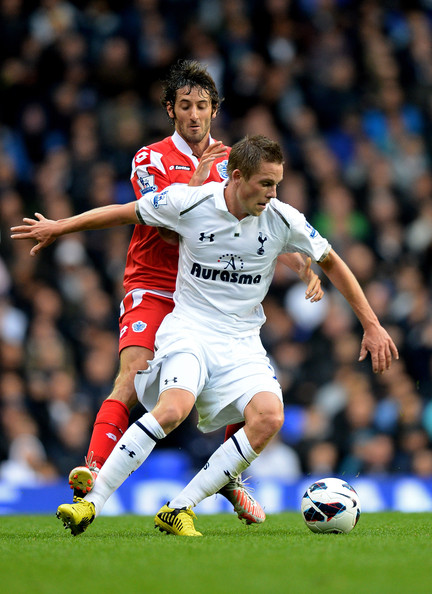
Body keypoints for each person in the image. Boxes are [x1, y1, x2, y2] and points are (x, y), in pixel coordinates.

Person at [11, 134, 398, 536]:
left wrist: (371, 324)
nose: (273, 192)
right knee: (173, 409)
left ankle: (180, 507)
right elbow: (125, 212)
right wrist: (61, 227)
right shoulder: (192, 202)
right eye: (265, 183)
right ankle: (91, 504)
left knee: (269, 416)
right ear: (236, 177)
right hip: (190, 329)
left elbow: (332, 261)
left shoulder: (283, 218)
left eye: (277, 183)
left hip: (242, 339)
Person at [15, 59, 324, 524]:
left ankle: (228, 478)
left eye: (203, 106)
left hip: (211, 288)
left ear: (214, 111)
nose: (195, 115)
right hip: (155, 282)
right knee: (132, 376)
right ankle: (93, 472)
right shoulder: (151, 158)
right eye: (185, 106)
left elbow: (253, 221)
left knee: (240, 373)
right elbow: (162, 227)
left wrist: (300, 262)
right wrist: (194, 184)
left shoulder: (233, 161)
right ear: (171, 111)